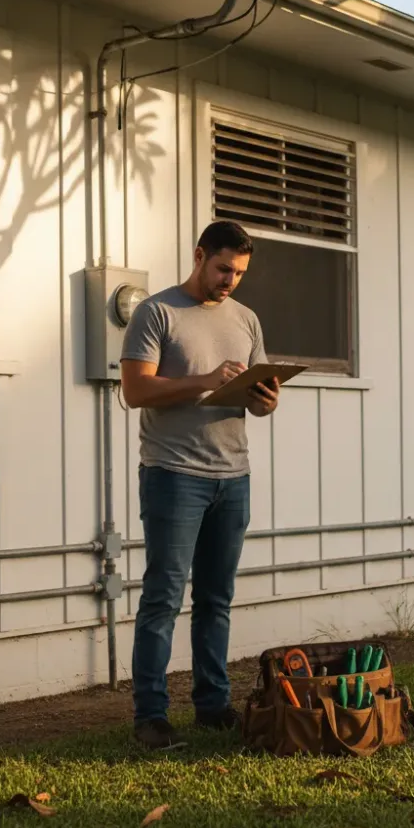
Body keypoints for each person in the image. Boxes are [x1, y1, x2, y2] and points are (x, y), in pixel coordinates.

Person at [120, 219, 280, 750]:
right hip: (173, 475)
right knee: (163, 597)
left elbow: (257, 395)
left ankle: (212, 706)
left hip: (233, 477)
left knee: (216, 598)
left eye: (239, 273)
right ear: (199, 256)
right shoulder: (156, 312)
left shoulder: (247, 319)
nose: (230, 281)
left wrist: (265, 400)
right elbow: (136, 390)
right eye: (223, 269)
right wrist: (205, 382)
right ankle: (151, 716)